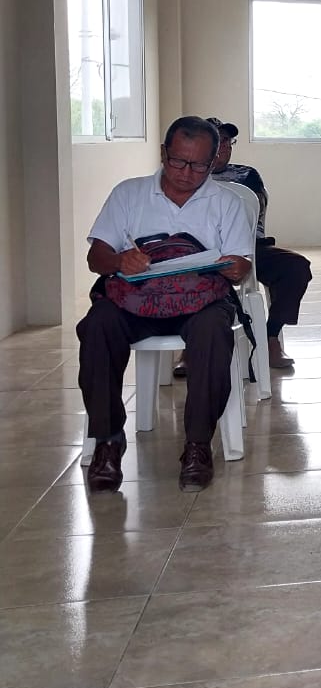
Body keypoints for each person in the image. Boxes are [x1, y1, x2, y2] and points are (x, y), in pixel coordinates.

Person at [77, 116, 254, 492]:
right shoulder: (129, 194)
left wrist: (237, 267)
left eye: (199, 165)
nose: (187, 173)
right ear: (163, 153)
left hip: (200, 301)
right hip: (134, 300)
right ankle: (108, 442)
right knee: (97, 325)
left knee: (213, 330)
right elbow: (97, 257)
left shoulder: (226, 202)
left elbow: (241, 264)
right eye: (178, 161)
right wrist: (120, 260)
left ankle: (197, 446)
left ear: (213, 162)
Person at [208, 117, 313, 369]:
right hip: (201, 251)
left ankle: (270, 337)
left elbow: (254, 216)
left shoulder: (247, 175)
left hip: (248, 246)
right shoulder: (187, 177)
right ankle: (189, 349)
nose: (224, 146)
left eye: (227, 141)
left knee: (295, 267)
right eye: (217, 141)